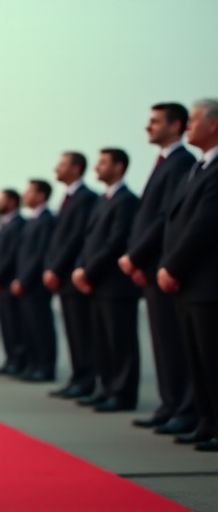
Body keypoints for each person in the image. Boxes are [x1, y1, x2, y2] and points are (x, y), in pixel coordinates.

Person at [121, 103, 198, 434]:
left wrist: (137, 257)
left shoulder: (182, 162)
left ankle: (185, 408)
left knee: (175, 344)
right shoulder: (165, 162)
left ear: (175, 125)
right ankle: (170, 405)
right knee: (163, 343)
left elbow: (166, 217)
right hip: (151, 267)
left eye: (155, 121)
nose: (148, 127)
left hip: (163, 266)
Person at [157, 98, 218, 452]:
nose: (187, 126)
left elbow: (204, 225)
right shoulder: (197, 167)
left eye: (193, 120)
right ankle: (206, 420)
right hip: (188, 282)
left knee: (213, 358)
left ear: (213, 124)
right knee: (197, 358)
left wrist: (172, 266)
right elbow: (176, 222)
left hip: (207, 280)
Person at [71, 149, 141, 412]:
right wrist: (80, 269)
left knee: (120, 341)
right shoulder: (103, 200)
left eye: (103, 162)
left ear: (118, 167)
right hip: (96, 283)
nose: (97, 167)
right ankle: (107, 388)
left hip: (114, 283)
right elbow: (88, 240)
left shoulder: (126, 200)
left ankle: (122, 393)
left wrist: (88, 272)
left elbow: (116, 242)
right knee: (102, 341)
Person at [45, 152, 98, 391]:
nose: (56, 168)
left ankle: (86, 380)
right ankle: (78, 378)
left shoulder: (85, 197)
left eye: (62, 164)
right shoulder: (68, 197)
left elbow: (76, 237)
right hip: (63, 276)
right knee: (73, 331)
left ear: (76, 169)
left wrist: (56, 268)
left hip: (72, 274)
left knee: (82, 331)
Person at [11, 180, 57, 382]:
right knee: (29, 327)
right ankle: (33, 365)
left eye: (29, 191)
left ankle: (44, 367)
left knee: (41, 327)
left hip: (35, 283)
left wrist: (24, 279)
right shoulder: (33, 219)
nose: (25, 195)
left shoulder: (46, 219)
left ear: (41, 196)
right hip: (26, 283)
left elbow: (39, 254)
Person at [0, 189, 26, 375]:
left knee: (15, 325)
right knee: (6, 326)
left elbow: (11, 254)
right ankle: (11, 360)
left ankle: (18, 361)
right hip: (1, 284)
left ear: (12, 202)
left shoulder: (18, 224)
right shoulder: (4, 224)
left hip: (8, 281)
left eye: (1, 200)